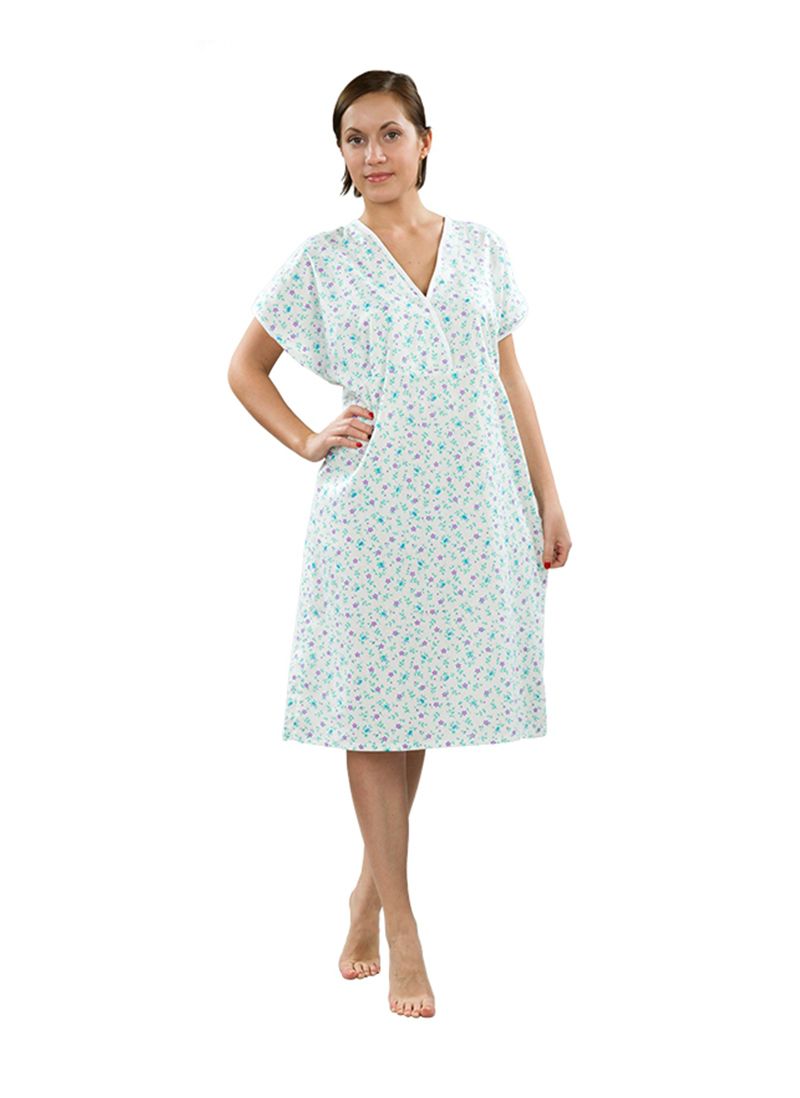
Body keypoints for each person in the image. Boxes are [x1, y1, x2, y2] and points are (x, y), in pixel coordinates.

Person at [228, 70, 572, 1020]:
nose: (372, 154)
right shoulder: (324, 260)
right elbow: (245, 369)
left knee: (418, 703)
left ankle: (365, 892)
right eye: (354, 139)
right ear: (340, 154)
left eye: (389, 133)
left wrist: (548, 497)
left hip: (473, 507)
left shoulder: (482, 249)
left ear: (426, 141)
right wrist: (308, 438)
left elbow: (510, 380)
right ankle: (404, 930)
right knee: (373, 711)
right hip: (370, 518)